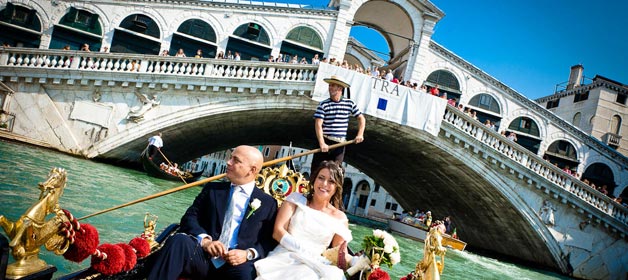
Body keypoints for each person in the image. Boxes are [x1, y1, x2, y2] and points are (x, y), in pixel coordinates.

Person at [148, 145, 279, 280]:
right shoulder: (212, 189)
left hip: (237, 265)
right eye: (230, 158)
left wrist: (248, 254)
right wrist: (205, 241)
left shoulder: (268, 203)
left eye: (236, 160)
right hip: (203, 257)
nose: (228, 162)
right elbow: (189, 217)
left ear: (252, 170)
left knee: (248, 273)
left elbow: (268, 240)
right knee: (179, 241)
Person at [255, 161, 352, 279]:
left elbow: (339, 252)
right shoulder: (295, 200)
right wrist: (305, 252)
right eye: (321, 178)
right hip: (286, 256)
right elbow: (278, 232)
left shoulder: (340, 218)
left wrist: (361, 261)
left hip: (318, 262)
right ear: (314, 180)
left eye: (331, 181)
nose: (324, 184)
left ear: (337, 187)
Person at [311, 75, 366, 172]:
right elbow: (318, 124)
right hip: (325, 141)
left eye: (332, 85)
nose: (330, 87)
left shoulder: (350, 103)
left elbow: (361, 119)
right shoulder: (323, 104)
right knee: (317, 170)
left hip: (340, 144)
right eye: (329, 85)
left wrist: (360, 134)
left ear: (340, 88)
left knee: (335, 172)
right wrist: (322, 143)